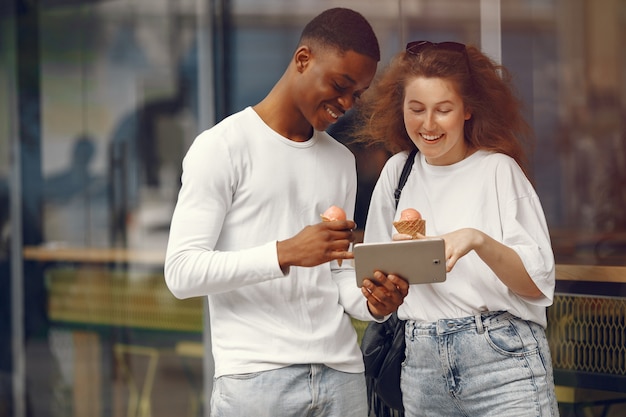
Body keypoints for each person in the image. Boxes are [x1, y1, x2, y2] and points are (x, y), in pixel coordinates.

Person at [164, 8, 409, 417]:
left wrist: (373, 303)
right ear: (302, 59)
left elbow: (336, 273)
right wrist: (284, 252)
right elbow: (182, 272)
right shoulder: (222, 147)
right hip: (256, 381)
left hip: (342, 376)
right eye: (339, 85)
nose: (346, 104)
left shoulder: (340, 161)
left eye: (357, 94)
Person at [352, 41, 559, 416]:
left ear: (467, 110)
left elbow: (538, 284)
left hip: (501, 360)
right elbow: (379, 288)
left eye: (443, 110)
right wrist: (381, 295)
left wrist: (476, 240)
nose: (428, 124)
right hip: (421, 366)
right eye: (416, 109)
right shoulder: (398, 173)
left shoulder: (497, 171)